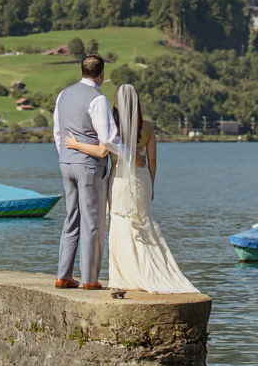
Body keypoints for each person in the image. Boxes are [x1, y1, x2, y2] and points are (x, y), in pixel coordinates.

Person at [65, 82, 197, 294]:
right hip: (141, 179)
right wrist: (151, 184)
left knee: (119, 222)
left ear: (116, 103)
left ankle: (124, 275)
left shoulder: (111, 128)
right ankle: (149, 271)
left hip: (118, 181)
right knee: (143, 222)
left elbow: (100, 151)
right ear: (137, 102)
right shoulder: (147, 127)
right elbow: (152, 160)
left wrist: (76, 145)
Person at [53, 54, 122, 290]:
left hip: (66, 163)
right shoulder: (98, 100)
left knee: (71, 218)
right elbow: (108, 139)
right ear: (101, 74)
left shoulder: (63, 95)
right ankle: (90, 279)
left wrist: (65, 155)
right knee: (92, 222)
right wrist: (129, 154)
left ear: (81, 70)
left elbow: (57, 132)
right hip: (90, 166)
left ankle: (63, 276)